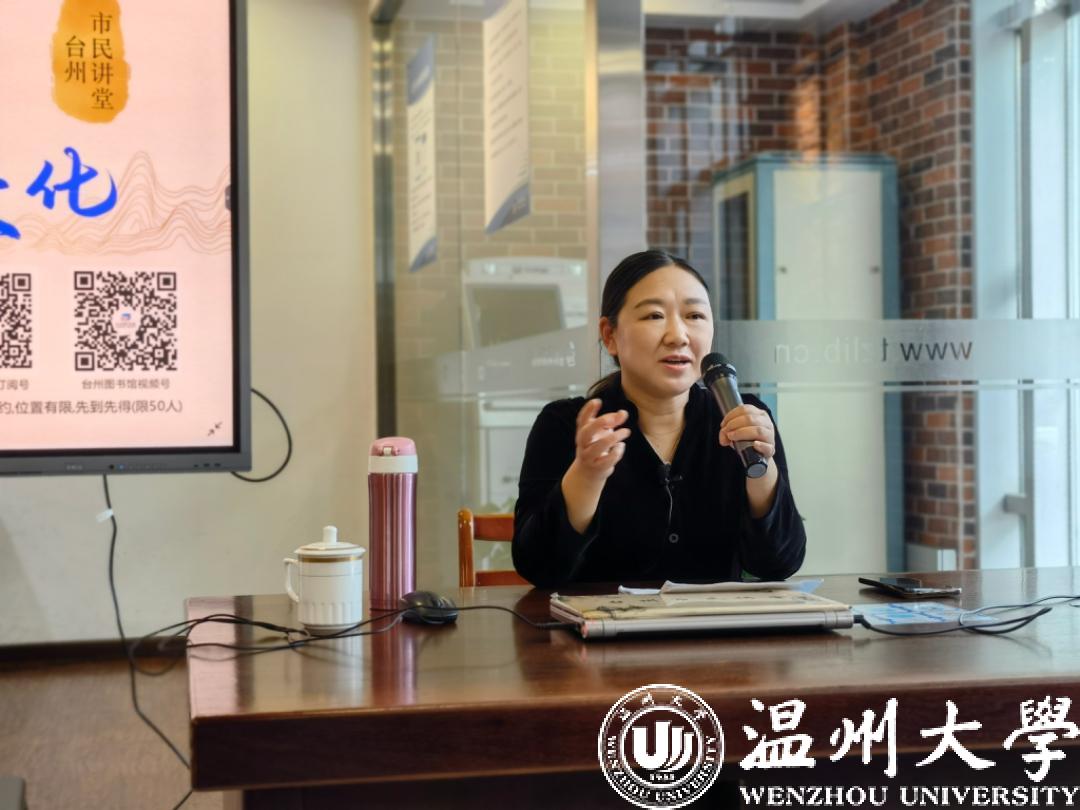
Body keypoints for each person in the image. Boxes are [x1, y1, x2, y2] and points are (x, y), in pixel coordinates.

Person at [511, 250, 805, 588]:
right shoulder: (565, 425)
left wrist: (761, 468)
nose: (678, 335)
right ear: (610, 335)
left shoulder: (742, 419)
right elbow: (538, 567)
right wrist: (586, 476)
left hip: (714, 623)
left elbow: (779, 563)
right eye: (654, 315)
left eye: (694, 315)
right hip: (599, 623)